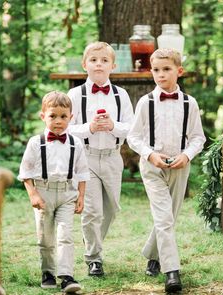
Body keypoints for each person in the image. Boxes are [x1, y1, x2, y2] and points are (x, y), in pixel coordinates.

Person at [127, 48, 206, 293]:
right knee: (163, 218)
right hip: (152, 166)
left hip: (180, 166)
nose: (161, 75)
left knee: (168, 218)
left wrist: (186, 155)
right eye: (156, 70)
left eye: (167, 69)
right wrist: (150, 154)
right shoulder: (146, 102)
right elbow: (134, 137)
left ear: (179, 71)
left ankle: (153, 254)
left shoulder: (189, 103)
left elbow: (197, 138)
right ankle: (172, 272)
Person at [67, 41, 134, 276]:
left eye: (104, 60)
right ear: (85, 64)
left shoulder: (121, 95)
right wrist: (90, 128)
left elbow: (131, 128)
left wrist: (113, 126)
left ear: (113, 66)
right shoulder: (75, 95)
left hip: (113, 157)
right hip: (86, 158)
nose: (99, 64)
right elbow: (65, 130)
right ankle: (94, 258)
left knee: (112, 209)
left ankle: (91, 242)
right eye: (94, 60)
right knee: (92, 211)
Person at [18, 91, 90, 293]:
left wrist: (81, 196)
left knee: (65, 235)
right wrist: (33, 194)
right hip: (43, 193)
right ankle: (48, 272)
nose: (58, 121)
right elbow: (25, 172)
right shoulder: (35, 142)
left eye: (63, 116)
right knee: (45, 238)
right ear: (43, 116)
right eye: (53, 116)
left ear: (71, 117)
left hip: (68, 194)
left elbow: (82, 173)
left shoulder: (76, 143)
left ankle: (67, 276)